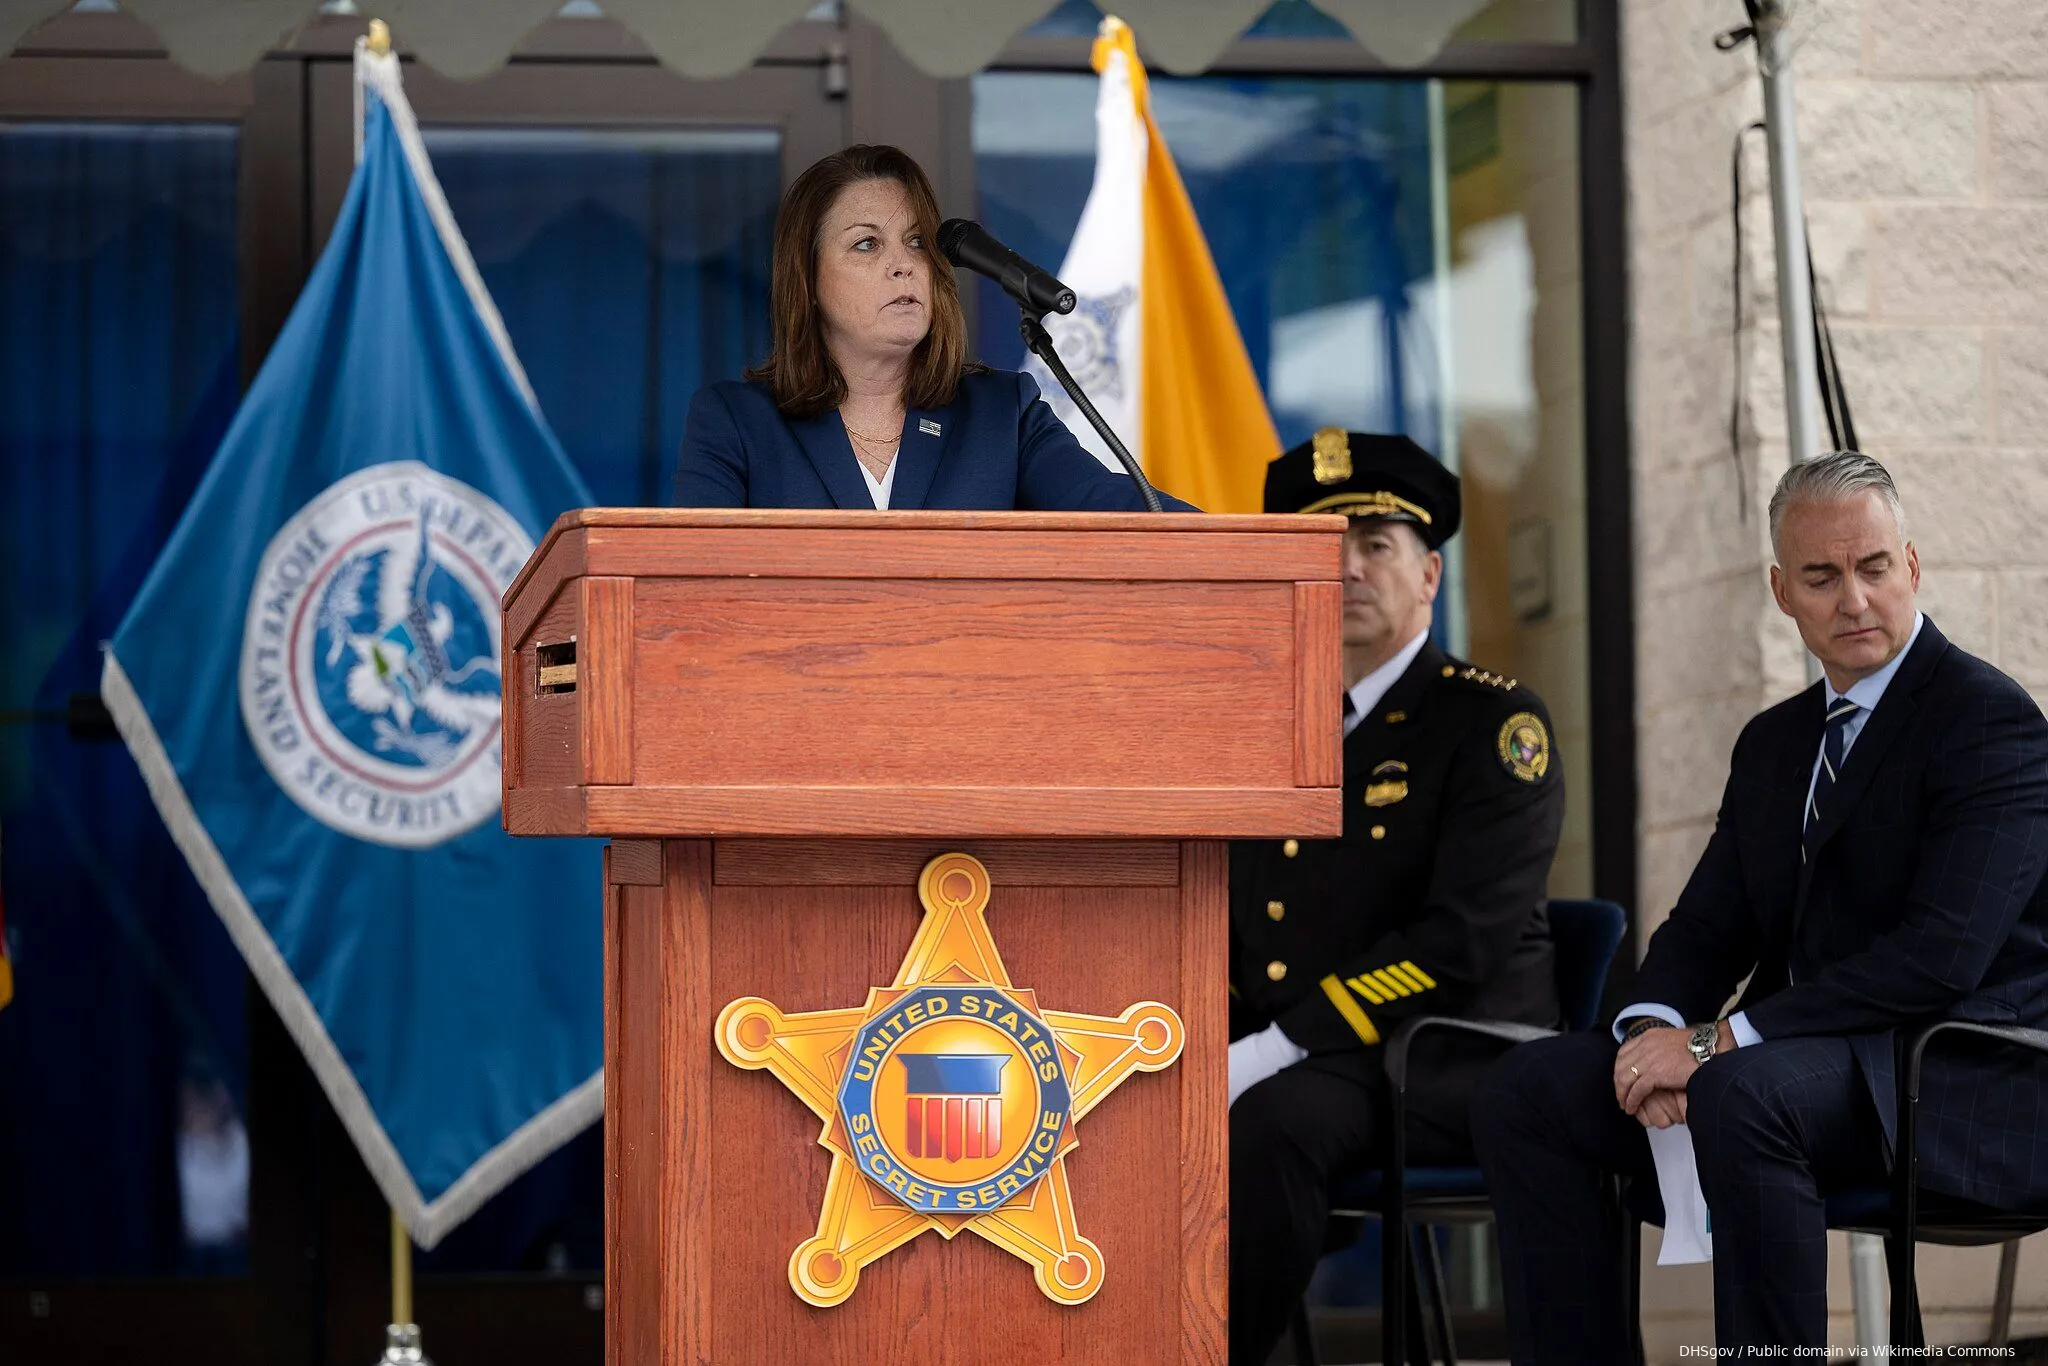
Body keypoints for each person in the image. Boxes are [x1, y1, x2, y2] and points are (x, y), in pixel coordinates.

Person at [1473, 451, 2048, 1361]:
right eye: (1822, 576)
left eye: (1874, 568)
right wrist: (1647, 1036)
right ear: (1783, 592)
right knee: (1531, 1090)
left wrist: (1715, 1041)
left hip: (1956, 1072)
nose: (1853, 600)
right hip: (1810, 1068)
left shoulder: (1988, 719)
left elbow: (1942, 956)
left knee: (1742, 1092)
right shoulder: (1776, 744)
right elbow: (1707, 925)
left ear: (1913, 566)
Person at [1227, 428, 1566, 1366]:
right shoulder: (1268, 727)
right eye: (1325, 548)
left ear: (1430, 577)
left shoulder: (1494, 724)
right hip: (1307, 1052)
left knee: (1270, 1125)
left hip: (1446, 1053)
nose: (1348, 568)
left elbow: (1461, 944)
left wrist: (1277, 1044)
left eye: (1376, 544)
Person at [673, 143, 1190, 512]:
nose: (904, 264)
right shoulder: (736, 424)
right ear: (806, 280)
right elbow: (687, 587)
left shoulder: (1002, 414)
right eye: (867, 244)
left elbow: (1119, 511)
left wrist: (1255, 552)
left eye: (917, 241)